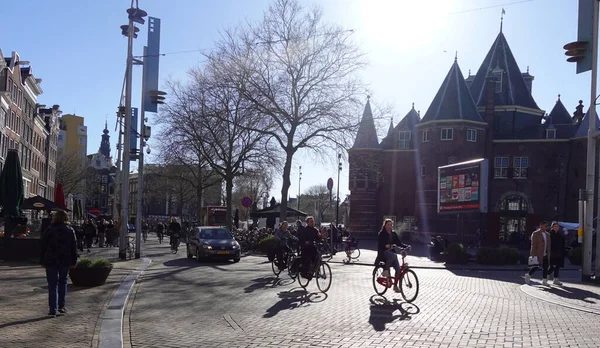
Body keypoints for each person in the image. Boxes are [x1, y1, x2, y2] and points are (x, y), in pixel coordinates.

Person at [39, 211, 78, 317]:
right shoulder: (70, 230)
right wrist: (74, 261)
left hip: (51, 260)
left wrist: (42, 260)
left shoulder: (49, 229)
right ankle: (61, 306)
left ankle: (52, 309)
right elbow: (73, 247)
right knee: (63, 282)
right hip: (65, 260)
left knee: (52, 285)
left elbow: (43, 246)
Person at [377, 218, 410, 293]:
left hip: (391, 254)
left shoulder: (393, 234)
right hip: (383, 253)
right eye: (388, 224)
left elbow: (399, 243)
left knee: (398, 269)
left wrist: (406, 246)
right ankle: (386, 270)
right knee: (394, 255)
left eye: (391, 225)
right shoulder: (381, 233)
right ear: (384, 225)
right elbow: (380, 244)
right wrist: (385, 246)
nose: (390, 226)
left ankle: (395, 286)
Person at [525, 221, 551, 285]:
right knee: (536, 266)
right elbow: (533, 244)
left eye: (547, 226)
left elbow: (549, 244)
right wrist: (533, 253)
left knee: (545, 267)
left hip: (545, 253)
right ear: (541, 226)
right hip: (538, 253)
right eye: (545, 226)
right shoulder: (535, 233)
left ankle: (544, 280)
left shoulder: (548, 234)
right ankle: (528, 275)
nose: (546, 227)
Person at [549, 221, 566, 286]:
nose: (556, 227)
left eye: (557, 226)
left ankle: (556, 279)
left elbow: (562, 243)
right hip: (552, 253)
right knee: (552, 266)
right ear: (552, 227)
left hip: (559, 253)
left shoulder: (560, 235)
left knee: (557, 267)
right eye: (555, 226)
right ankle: (545, 277)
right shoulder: (550, 235)